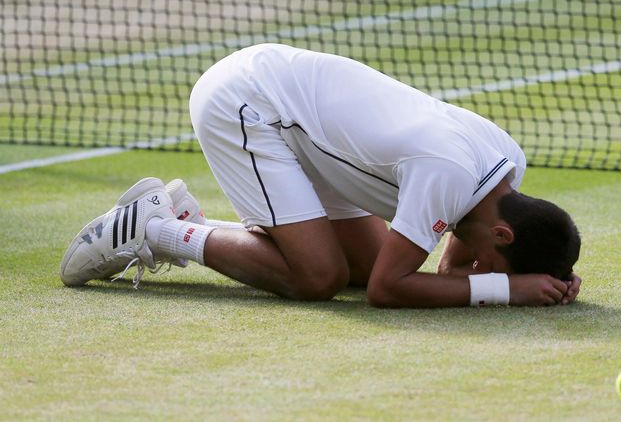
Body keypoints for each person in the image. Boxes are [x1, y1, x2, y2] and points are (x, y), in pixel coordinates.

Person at [60, 43, 582, 307]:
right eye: (496, 262)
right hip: (248, 104)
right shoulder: (448, 173)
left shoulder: (505, 166)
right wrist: (506, 290)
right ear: (503, 232)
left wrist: (535, 277)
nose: (483, 267)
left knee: (364, 262)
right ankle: (157, 229)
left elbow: (443, 276)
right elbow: (387, 290)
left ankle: (195, 222)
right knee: (318, 278)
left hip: (308, 128)